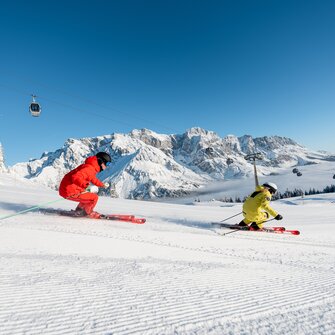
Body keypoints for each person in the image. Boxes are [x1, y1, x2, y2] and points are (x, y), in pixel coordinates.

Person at [59, 152, 111, 218]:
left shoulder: (90, 167)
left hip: (67, 189)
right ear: (101, 161)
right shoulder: (89, 169)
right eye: (107, 164)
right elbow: (75, 177)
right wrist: (87, 186)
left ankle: (79, 211)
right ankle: (87, 213)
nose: (106, 167)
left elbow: (93, 179)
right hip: (69, 190)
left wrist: (102, 185)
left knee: (87, 195)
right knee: (94, 198)